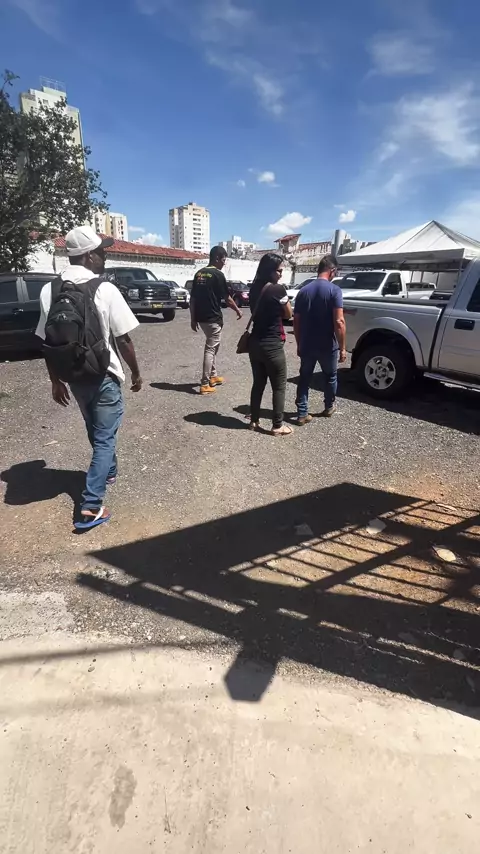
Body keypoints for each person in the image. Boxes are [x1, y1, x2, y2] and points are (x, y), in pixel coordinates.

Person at [36, 225, 143, 530]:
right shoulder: (104, 289)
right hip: (104, 374)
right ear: (88, 256)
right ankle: (91, 506)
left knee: (94, 427)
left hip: (74, 375)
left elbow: (47, 341)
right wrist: (136, 372)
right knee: (105, 437)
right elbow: (123, 339)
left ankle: (108, 471)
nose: (104, 256)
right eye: (100, 251)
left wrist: (55, 380)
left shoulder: (49, 290)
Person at [293, 254, 346, 423]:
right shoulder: (334, 291)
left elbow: (296, 321)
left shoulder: (303, 291)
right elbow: (339, 322)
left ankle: (302, 413)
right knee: (330, 376)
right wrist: (343, 347)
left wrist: (299, 343)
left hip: (307, 343)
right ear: (332, 270)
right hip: (327, 345)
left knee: (304, 378)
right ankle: (329, 407)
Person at [248, 252, 293, 436]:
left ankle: (254, 420)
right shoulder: (278, 289)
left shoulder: (253, 288)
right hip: (272, 343)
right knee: (279, 386)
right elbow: (288, 314)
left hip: (255, 343)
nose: (281, 274)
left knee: (258, 383)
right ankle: (277, 426)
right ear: (270, 270)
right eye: (279, 270)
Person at [190, 245, 243, 394]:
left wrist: (193, 319)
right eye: (224, 260)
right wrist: (238, 310)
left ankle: (213, 376)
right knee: (210, 349)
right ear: (217, 258)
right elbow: (227, 298)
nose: (224, 263)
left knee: (213, 347)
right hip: (213, 318)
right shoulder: (218, 275)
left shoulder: (199, 274)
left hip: (201, 318)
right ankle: (204, 384)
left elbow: (193, 299)